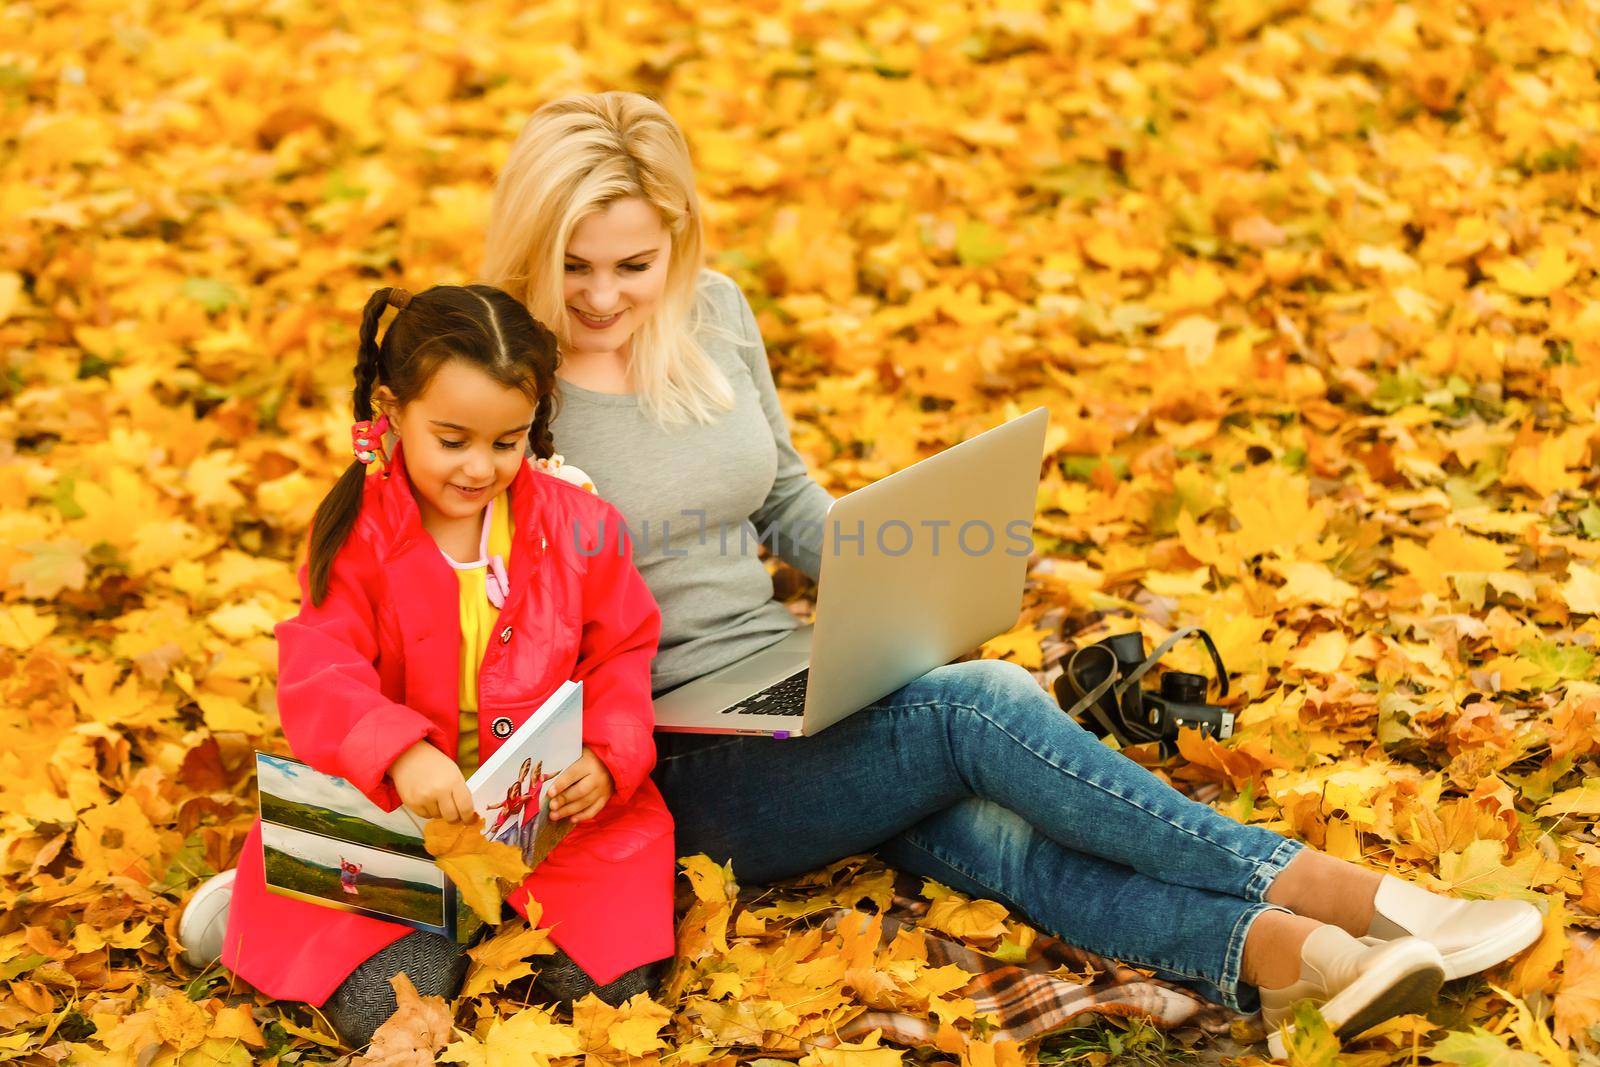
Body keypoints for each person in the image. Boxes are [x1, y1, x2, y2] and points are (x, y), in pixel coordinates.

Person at [477, 90, 1545, 1057]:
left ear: (678, 240)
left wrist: (908, 562)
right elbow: (469, 606)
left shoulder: (711, 314)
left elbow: (786, 500)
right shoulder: (497, 381)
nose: (605, 296)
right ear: (531, 245)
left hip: (792, 679)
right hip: (664, 756)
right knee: (976, 710)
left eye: (633, 264)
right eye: (574, 266)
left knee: (994, 835)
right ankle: (1341, 892)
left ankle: (1298, 961)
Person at [177, 283, 675, 1049]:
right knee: (393, 999)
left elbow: (621, 651)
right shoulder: (360, 531)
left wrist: (607, 755)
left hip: (551, 829)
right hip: (394, 828)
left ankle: (479, 927)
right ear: (392, 408)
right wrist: (399, 749)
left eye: (507, 441)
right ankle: (267, 917)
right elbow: (322, 665)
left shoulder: (580, 525)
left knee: (602, 990)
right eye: (452, 439)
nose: (481, 467)